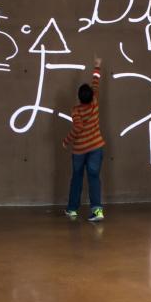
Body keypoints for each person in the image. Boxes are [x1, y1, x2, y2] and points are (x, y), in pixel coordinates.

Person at [62, 57, 105, 222]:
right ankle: (97, 210)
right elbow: (96, 84)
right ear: (91, 96)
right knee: (94, 177)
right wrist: (97, 67)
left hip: (79, 150)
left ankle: (72, 209)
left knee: (77, 178)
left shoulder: (75, 110)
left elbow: (78, 128)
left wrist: (66, 140)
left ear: (79, 97)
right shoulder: (94, 102)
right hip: (96, 147)